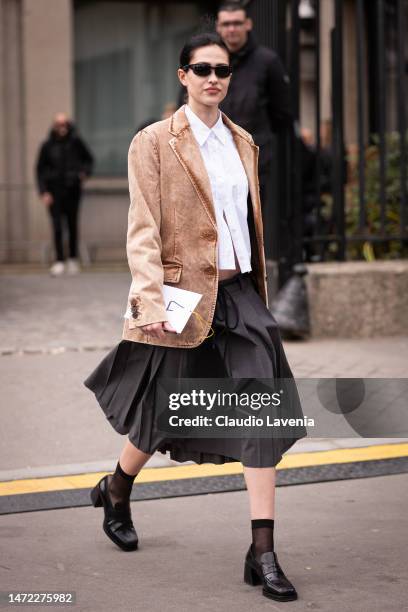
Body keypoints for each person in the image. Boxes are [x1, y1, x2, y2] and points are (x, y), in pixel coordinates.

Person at [84, 32, 307, 603]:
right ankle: (117, 486)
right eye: (202, 69)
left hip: (240, 299)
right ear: (183, 75)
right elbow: (142, 230)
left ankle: (263, 553)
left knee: (260, 410)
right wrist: (150, 302)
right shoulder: (154, 142)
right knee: (167, 406)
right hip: (183, 299)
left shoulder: (244, 143)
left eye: (223, 70)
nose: (214, 78)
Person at [215, 1, 293, 214]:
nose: (232, 29)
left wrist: (261, 141)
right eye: (227, 24)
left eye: (237, 23)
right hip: (212, 155)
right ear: (218, 27)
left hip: (253, 159)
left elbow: (283, 113)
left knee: (248, 223)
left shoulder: (267, 61)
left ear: (248, 24)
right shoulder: (210, 61)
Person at [36, 113, 94, 276]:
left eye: (64, 125)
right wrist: (43, 191)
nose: (62, 128)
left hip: (73, 190)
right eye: (58, 125)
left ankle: (73, 259)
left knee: (72, 225)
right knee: (56, 227)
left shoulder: (76, 143)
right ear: (54, 126)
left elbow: (89, 160)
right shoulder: (47, 146)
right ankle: (59, 260)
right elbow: (40, 170)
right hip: (54, 192)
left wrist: (84, 173)